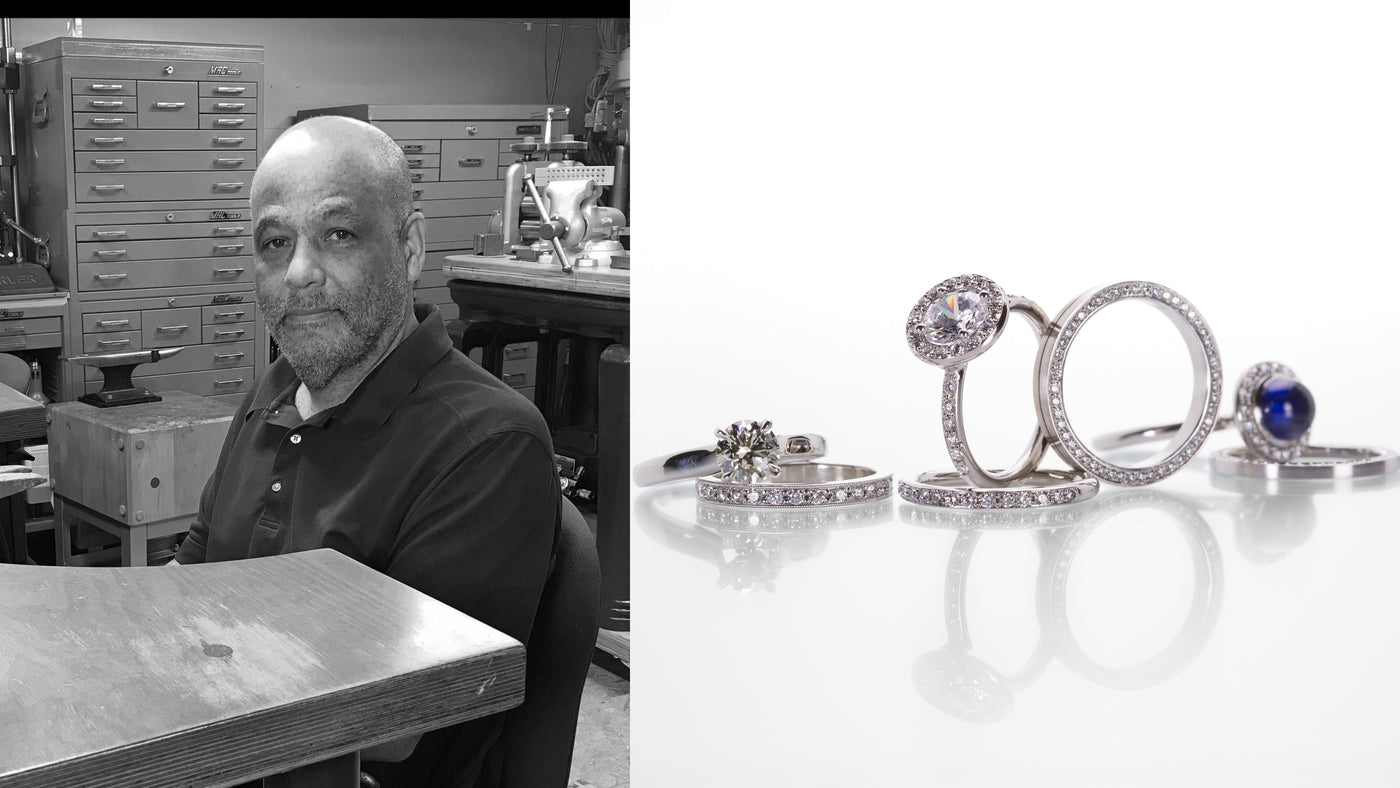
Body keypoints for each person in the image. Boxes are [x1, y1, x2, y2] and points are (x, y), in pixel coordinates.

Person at [170, 115, 561, 787]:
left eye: (338, 234)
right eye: (275, 242)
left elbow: (397, 725)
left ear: (408, 248)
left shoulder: (488, 445)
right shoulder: (274, 390)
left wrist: (165, 682)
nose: (298, 273)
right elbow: (195, 570)